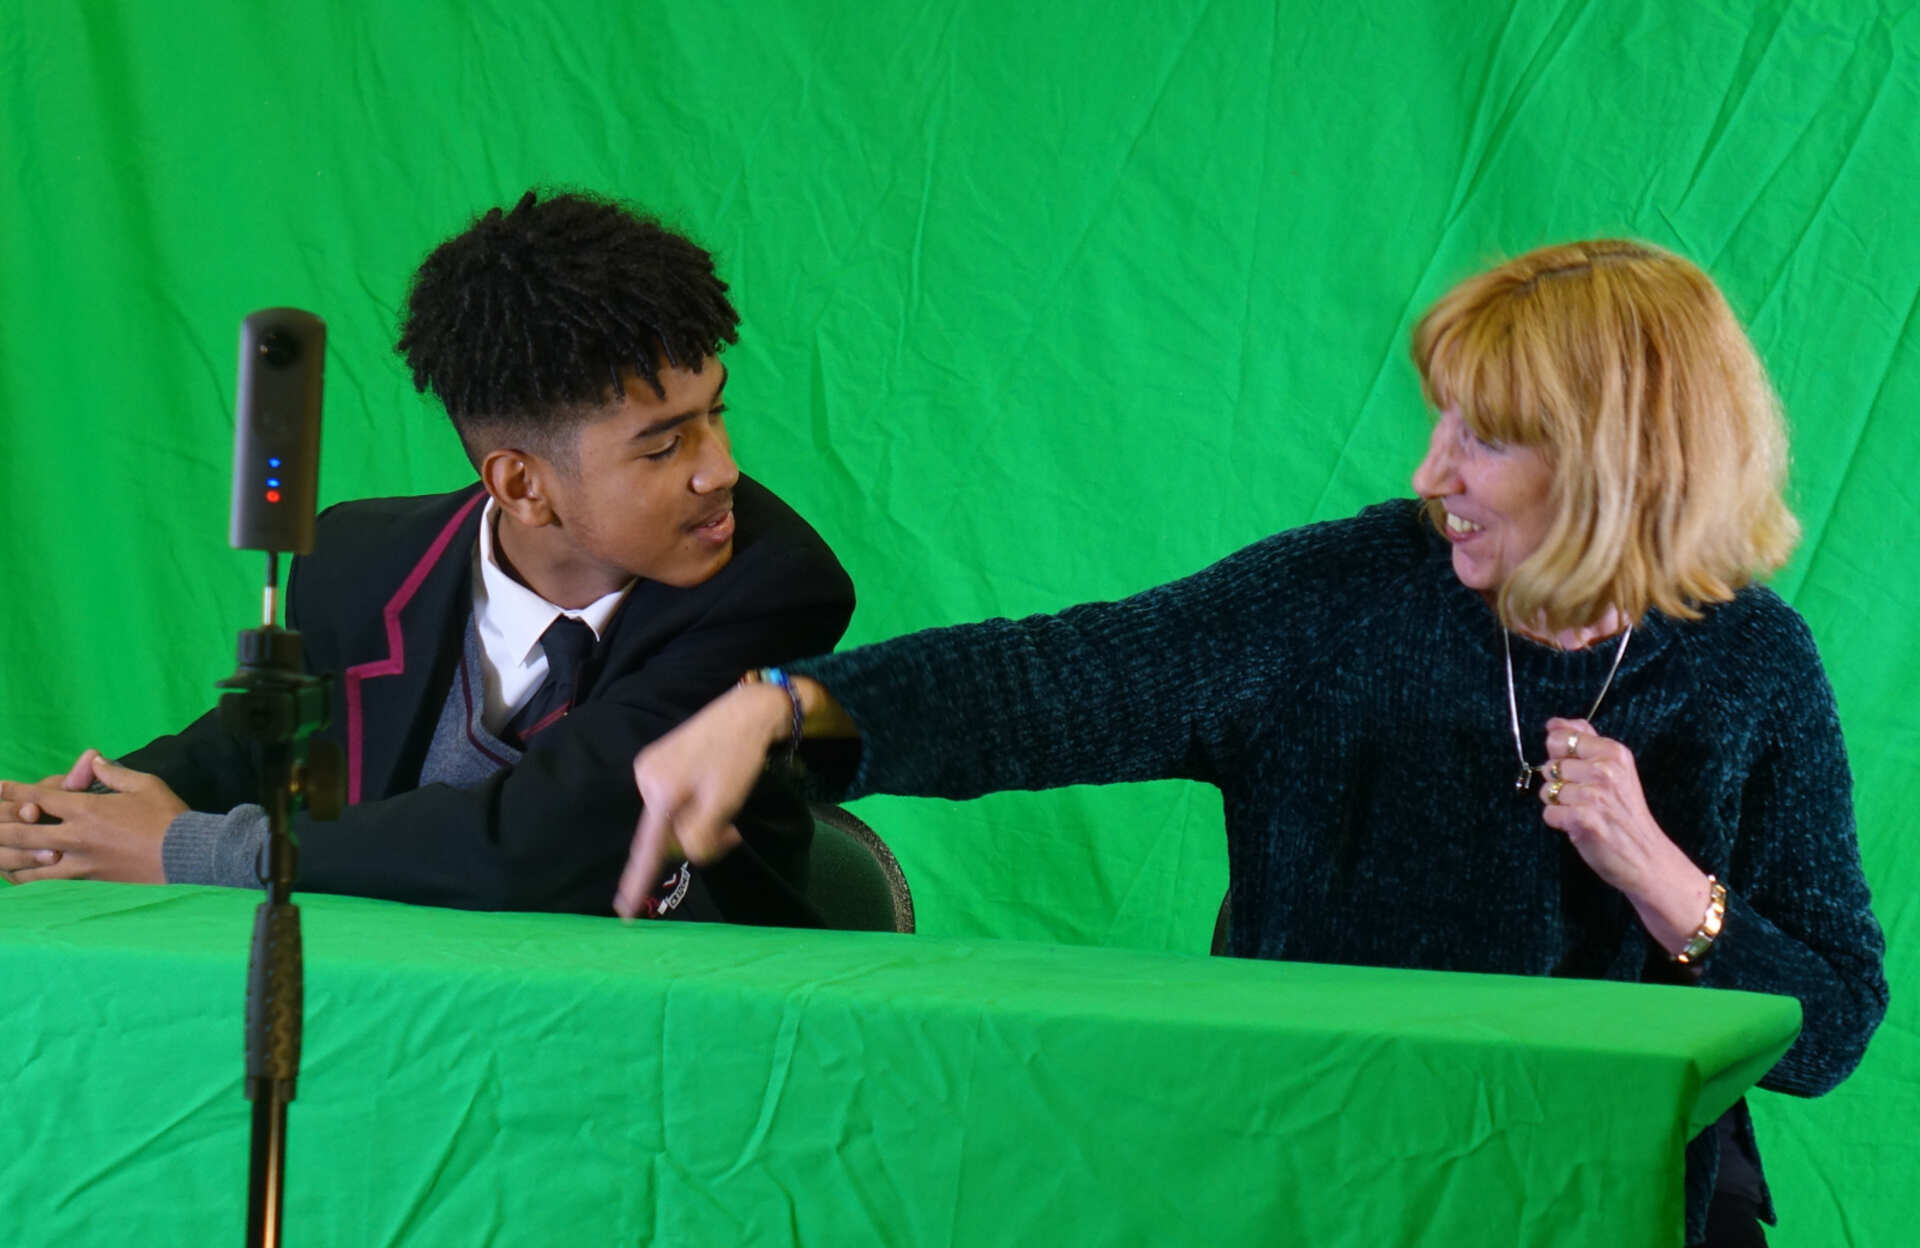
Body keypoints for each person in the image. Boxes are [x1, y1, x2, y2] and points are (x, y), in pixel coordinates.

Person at [617, 240, 1886, 1244]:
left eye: (1482, 439)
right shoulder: (1343, 598)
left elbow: (1828, 1028)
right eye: (1438, 420)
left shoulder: (1750, 667)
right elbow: (1064, 676)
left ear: (1620, 462)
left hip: (1608, 1192)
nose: (1429, 472)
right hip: (1321, 1168)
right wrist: (786, 704)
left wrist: (1661, 879)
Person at [0, 189, 854, 923]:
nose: (723, 469)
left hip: (682, 1035)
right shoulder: (356, 561)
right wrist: (65, 816)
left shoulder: (774, 586)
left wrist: (188, 848)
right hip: (398, 1022)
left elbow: (538, 841)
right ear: (521, 486)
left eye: (714, 413)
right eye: (665, 446)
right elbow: (263, 746)